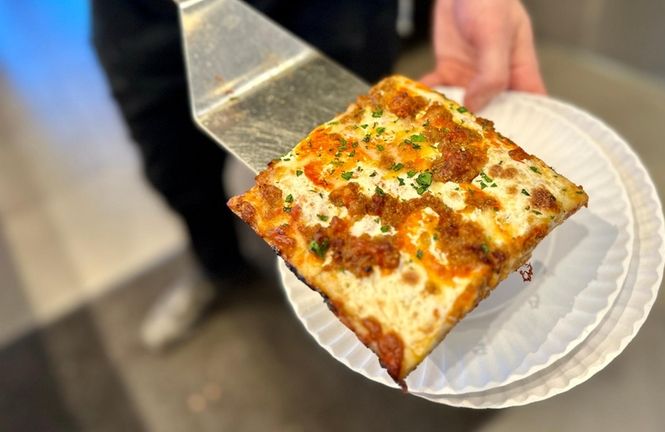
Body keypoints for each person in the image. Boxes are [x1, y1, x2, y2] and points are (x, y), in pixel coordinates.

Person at [91, 0, 545, 350]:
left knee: (376, 171)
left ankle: (406, 292)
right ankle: (217, 268)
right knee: (176, 170)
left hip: (328, 10)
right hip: (145, 21)